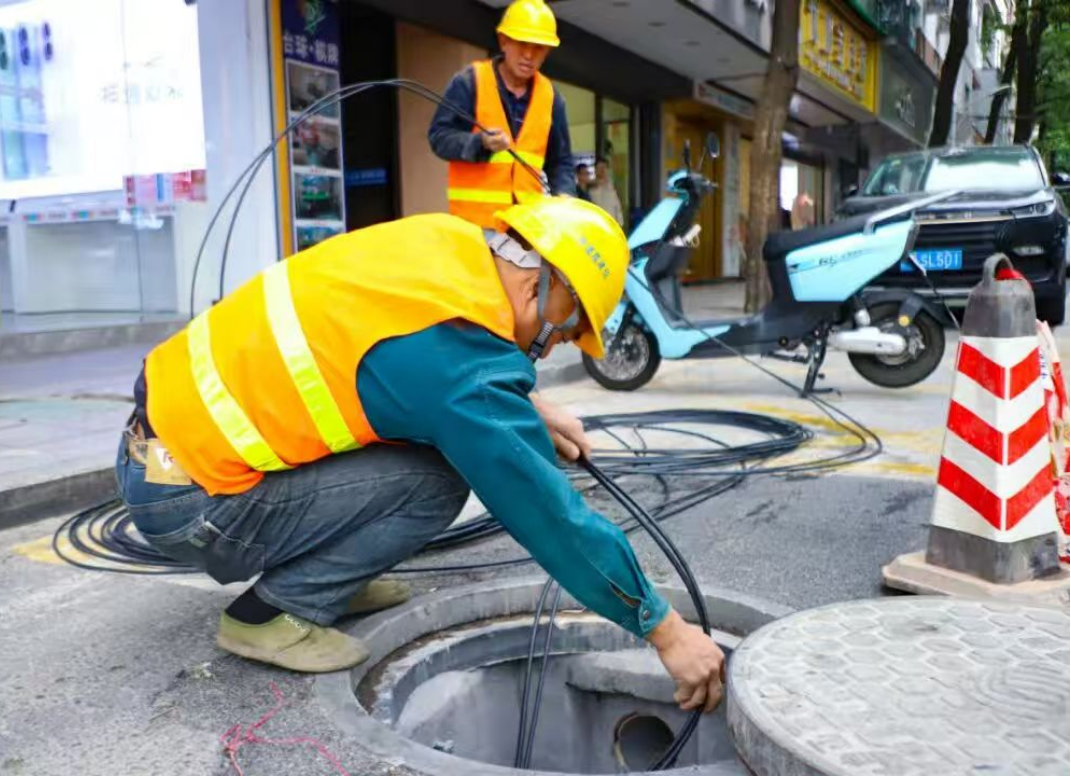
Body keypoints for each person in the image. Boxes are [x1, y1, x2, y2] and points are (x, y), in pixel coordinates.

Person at [116, 197, 726, 716]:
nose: (552, 348)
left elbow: (408, 358)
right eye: (566, 331)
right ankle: (272, 614)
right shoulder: (463, 372)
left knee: (423, 440)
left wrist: (531, 408)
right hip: (191, 506)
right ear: (546, 289)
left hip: (153, 450)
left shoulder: (445, 242)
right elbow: (550, 514)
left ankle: (329, 576)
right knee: (437, 482)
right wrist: (665, 631)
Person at [429, 0, 576, 227]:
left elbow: (560, 161)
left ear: (547, 51)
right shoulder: (470, 82)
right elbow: (439, 137)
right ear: (503, 41)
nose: (529, 54)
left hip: (525, 227)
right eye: (522, 43)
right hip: (475, 224)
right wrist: (480, 143)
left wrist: (565, 195)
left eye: (538, 47)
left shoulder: (551, 98)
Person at [589, 158, 624, 228]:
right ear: (595, 170)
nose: (602, 170)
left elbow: (617, 206)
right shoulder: (590, 186)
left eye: (604, 167)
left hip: (611, 223)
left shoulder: (612, 186)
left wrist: (620, 223)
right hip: (595, 224)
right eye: (599, 168)